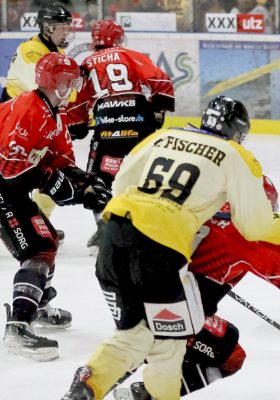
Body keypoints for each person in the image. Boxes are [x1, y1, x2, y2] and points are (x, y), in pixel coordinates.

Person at [61, 96, 280, 400]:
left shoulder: (165, 136)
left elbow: (121, 185)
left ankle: (85, 388)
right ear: (238, 132)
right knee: (168, 348)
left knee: (132, 337)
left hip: (113, 240)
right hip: (158, 253)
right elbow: (255, 227)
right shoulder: (234, 154)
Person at [112, 176, 280, 399]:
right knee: (230, 353)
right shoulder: (249, 233)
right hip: (170, 312)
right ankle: (149, 394)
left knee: (144, 347)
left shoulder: (202, 206)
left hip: (128, 294)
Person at [1, 53, 110, 362]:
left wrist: (88, 184)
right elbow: (9, 169)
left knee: (47, 240)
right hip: (2, 186)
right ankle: (18, 325)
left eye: (71, 83)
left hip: (10, 188)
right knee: (35, 250)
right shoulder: (27, 108)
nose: (68, 89)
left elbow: (61, 159)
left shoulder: (54, 115)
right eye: (63, 82)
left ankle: (34, 303)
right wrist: (54, 184)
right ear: (49, 81)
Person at [65, 19, 175, 255]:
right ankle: (154, 229)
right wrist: (158, 109)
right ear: (117, 38)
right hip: (139, 121)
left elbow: (80, 99)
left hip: (107, 126)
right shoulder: (130, 55)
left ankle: (105, 231)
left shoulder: (86, 63)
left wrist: (78, 124)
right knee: (150, 174)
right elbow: (159, 79)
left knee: (98, 178)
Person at [2, 3, 75, 245]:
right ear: (46, 27)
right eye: (61, 27)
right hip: (19, 116)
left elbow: (63, 94)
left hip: (41, 116)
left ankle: (40, 219)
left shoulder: (55, 52)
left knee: (53, 169)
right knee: (16, 175)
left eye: (68, 26)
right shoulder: (31, 50)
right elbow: (50, 86)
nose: (66, 31)